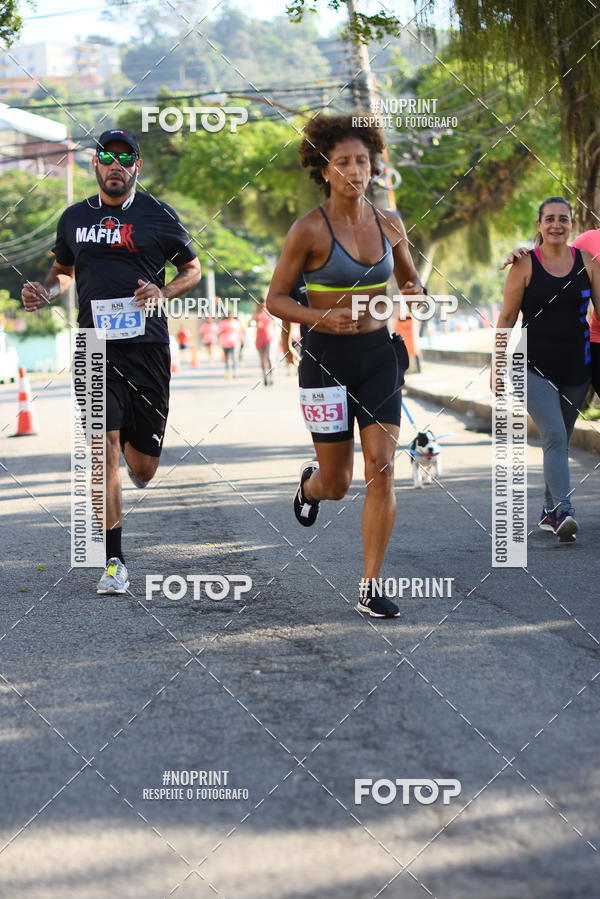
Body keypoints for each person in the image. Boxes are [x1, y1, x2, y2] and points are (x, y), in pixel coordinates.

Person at [21, 129, 201, 593]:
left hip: (147, 348)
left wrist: (162, 291)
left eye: (125, 158)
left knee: (143, 468)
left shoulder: (159, 215)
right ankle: (114, 560)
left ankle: (130, 449)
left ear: (136, 166)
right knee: (102, 449)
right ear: (96, 165)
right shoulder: (74, 218)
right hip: (94, 347)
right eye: (107, 157)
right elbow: (62, 272)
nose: (115, 164)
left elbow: (192, 269)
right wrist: (45, 291)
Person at [266, 113, 424, 619]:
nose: (355, 170)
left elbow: (410, 283)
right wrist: (320, 319)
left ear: (373, 166)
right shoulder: (308, 229)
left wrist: (417, 295)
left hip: (378, 357)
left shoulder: (391, 224)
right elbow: (275, 299)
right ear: (324, 169)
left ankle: (370, 586)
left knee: (383, 469)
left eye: (363, 160)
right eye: (343, 162)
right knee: (338, 484)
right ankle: (310, 484)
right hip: (323, 364)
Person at [496, 197, 600, 540]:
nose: (557, 224)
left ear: (572, 224)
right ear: (539, 225)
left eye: (564, 219)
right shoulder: (525, 264)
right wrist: (497, 366)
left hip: (576, 368)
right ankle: (564, 513)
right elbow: (507, 319)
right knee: (554, 436)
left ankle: (548, 510)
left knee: (561, 441)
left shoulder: (587, 261)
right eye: (550, 219)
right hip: (531, 367)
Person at [503, 219, 600, 399]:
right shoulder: (591, 241)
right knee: (555, 428)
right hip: (596, 345)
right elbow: (554, 259)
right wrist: (522, 257)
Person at [253, 299, 276, 385]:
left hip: (269, 338)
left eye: (264, 305)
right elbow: (251, 322)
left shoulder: (270, 312)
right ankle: (265, 377)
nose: (263, 307)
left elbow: (275, 325)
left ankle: (272, 376)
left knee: (269, 357)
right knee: (262, 359)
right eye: (261, 305)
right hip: (259, 338)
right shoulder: (256, 314)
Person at [217, 312, 241, 378]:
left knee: (234, 358)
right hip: (225, 343)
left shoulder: (236, 322)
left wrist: (241, 339)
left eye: (232, 315)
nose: (231, 317)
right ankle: (227, 372)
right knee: (227, 358)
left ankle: (234, 373)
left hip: (234, 342)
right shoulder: (222, 323)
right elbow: (218, 333)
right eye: (230, 315)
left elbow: (239, 332)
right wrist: (224, 330)